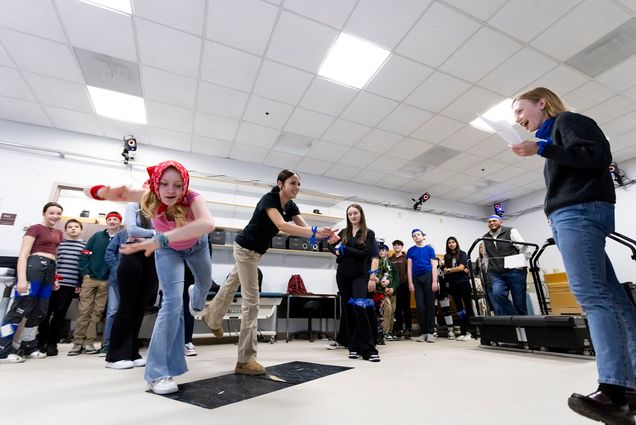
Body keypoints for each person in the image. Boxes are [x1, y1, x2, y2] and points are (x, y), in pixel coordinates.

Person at [512, 87, 636, 424]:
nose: (518, 120)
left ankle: (612, 390)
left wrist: (543, 148)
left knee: (592, 297)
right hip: (575, 214)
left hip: (578, 212)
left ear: (542, 103)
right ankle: (631, 390)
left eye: (521, 111)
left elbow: (596, 157)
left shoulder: (568, 121)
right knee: (614, 299)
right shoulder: (555, 138)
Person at [85, 160, 215, 394]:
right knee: (171, 305)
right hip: (168, 251)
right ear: (156, 184)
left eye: (177, 185)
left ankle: (196, 294)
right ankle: (158, 375)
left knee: (204, 285)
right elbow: (89, 191)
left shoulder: (193, 198)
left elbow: (207, 223)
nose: (170, 191)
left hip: (197, 246)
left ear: (185, 185)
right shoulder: (147, 196)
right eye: (164, 184)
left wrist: (160, 238)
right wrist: (102, 192)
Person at [203, 170, 338, 374]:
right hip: (245, 249)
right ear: (280, 183)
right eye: (293, 183)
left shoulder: (290, 205)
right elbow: (282, 226)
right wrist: (314, 232)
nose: (297, 187)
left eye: (299, 184)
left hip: (255, 253)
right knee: (252, 301)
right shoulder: (270, 199)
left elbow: (304, 227)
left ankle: (211, 317)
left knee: (230, 286)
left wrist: (322, 236)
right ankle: (245, 360)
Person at [0, 202, 63, 363]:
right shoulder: (34, 228)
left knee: (40, 310)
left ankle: (29, 345)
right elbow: (23, 254)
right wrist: (22, 279)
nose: (55, 216)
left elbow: (54, 255)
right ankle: (3, 349)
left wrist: (54, 278)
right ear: (44, 213)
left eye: (58, 213)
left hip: (49, 269)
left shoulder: (58, 233)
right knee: (20, 308)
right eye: (52, 213)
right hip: (34, 268)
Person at [104, 202, 158, 370]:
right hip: (132, 255)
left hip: (151, 258)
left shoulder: (162, 210)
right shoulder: (133, 206)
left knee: (139, 308)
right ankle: (115, 356)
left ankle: (132, 352)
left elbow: (169, 236)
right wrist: (155, 233)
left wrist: (149, 237)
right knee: (126, 306)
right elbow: (132, 230)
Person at [328, 204, 380, 361]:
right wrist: (335, 248)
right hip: (343, 274)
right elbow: (331, 245)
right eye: (349, 213)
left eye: (355, 213)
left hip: (359, 275)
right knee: (348, 310)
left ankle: (368, 349)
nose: (352, 216)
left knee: (359, 307)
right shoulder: (344, 233)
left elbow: (364, 254)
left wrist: (344, 249)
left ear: (361, 214)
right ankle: (353, 346)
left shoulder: (368, 233)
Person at [69, 211, 121, 356]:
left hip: (107, 281)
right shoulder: (97, 236)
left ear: (119, 223)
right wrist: (85, 272)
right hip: (90, 278)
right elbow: (84, 254)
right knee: (84, 310)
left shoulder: (121, 238)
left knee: (97, 312)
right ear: (106, 222)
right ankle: (77, 342)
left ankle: (89, 343)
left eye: (115, 219)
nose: (112, 221)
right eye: (109, 219)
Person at [37, 218, 85, 356]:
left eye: (76, 226)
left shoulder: (85, 245)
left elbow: (82, 266)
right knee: (45, 312)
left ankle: (52, 344)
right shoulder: (60, 244)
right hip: (53, 283)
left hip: (70, 285)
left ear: (81, 229)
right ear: (66, 230)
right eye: (70, 227)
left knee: (60, 314)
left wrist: (79, 283)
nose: (73, 229)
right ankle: (40, 342)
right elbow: (54, 261)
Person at [482, 215, 530, 316]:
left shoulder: (510, 231)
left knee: (519, 301)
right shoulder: (485, 237)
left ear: (501, 222)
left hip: (514, 271)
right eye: (489, 221)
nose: (491, 223)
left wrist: (521, 264)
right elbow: (486, 255)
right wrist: (487, 269)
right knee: (497, 295)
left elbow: (524, 247)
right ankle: (517, 319)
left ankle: (525, 326)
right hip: (496, 273)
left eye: (494, 221)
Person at [101, 225, 128, 357]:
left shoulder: (150, 233)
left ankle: (124, 344)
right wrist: (117, 268)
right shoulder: (121, 235)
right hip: (116, 280)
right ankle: (107, 344)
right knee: (112, 311)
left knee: (129, 312)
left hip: (136, 279)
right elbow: (109, 252)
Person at [407, 229, 438, 343]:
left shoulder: (429, 249)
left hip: (428, 276)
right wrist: (410, 283)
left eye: (418, 234)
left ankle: (430, 332)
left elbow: (434, 266)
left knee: (429, 305)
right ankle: (423, 332)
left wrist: (434, 281)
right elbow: (409, 268)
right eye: (414, 235)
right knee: (420, 306)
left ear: (423, 236)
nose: (416, 237)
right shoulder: (411, 250)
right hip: (416, 279)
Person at [442, 237, 474, 341]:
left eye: (453, 242)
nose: (451, 244)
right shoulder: (447, 256)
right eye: (449, 243)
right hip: (453, 284)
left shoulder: (463, 254)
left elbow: (461, 267)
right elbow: (445, 271)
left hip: (463, 283)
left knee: (468, 306)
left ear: (456, 243)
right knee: (459, 308)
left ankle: (471, 332)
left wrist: (450, 270)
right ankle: (463, 331)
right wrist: (453, 270)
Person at [389, 239, 411, 339]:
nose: (397, 247)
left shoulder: (406, 258)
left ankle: (408, 329)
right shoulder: (390, 259)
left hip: (404, 286)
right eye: (395, 245)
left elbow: (409, 271)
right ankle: (399, 329)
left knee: (406, 308)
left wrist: (407, 280)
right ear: (393, 247)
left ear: (402, 247)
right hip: (394, 287)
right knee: (396, 309)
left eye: (399, 245)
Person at [377, 244, 398, 342]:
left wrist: (393, 288)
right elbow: (376, 277)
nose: (381, 252)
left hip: (392, 291)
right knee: (388, 309)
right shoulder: (376, 263)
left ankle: (390, 331)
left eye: (383, 250)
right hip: (382, 291)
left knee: (392, 311)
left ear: (387, 252)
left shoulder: (392, 264)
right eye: (379, 250)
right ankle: (385, 331)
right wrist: (383, 288)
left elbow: (396, 279)